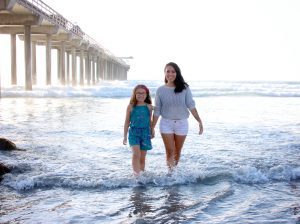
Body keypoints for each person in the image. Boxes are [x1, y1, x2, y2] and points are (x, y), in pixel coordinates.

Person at [151, 62, 203, 172]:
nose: (170, 74)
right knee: (170, 151)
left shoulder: (184, 88)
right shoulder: (160, 90)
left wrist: (199, 121)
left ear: (177, 73)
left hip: (182, 124)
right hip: (166, 123)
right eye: (168, 71)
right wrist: (152, 127)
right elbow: (157, 110)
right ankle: (170, 175)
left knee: (177, 151)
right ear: (164, 73)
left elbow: (191, 105)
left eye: (173, 71)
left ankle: (174, 173)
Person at [123, 84, 153, 177]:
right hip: (134, 133)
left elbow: (150, 120)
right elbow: (127, 122)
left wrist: (152, 130)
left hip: (145, 133)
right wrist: (124, 136)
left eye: (143, 93)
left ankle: (142, 176)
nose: (141, 95)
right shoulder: (131, 106)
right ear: (135, 94)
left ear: (147, 94)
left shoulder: (149, 107)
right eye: (138, 93)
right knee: (136, 154)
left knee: (142, 157)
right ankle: (136, 176)